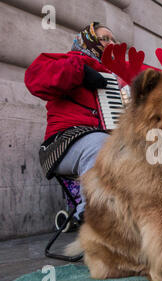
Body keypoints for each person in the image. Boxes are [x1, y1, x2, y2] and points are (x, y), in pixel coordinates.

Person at [25, 22, 118, 225]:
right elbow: (34, 78)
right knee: (102, 145)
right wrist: (80, 71)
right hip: (62, 143)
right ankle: (92, 216)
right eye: (104, 38)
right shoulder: (68, 60)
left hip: (103, 142)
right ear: (88, 40)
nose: (111, 43)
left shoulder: (116, 77)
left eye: (113, 40)